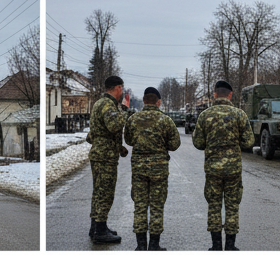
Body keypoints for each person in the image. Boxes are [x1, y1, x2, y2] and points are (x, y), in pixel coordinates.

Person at [192, 80, 255, 252]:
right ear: (230, 95)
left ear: (214, 94)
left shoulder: (205, 115)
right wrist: (235, 142)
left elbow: (198, 143)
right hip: (233, 169)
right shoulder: (239, 114)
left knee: (214, 206)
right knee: (232, 206)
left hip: (213, 169)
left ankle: (215, 246)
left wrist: (211, 143)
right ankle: (230, 245)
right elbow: (249, 141)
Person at [124, 87, 181, 251]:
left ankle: (141, 245)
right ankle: (154, 245)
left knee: (140, 206)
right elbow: (175, 144)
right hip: (159, 170)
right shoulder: (165, 120)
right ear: (158, 102)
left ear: (143, 101)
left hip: (139, 168)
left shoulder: (133, 119)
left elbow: (128, 140)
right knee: (156, 206)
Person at [87, 75, 129, 244]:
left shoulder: (100, 103)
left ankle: (96, 226)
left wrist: (119, 147)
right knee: (105, 194)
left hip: (101, 154)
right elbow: (114, 125)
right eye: (122, 88)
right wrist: (125, 109)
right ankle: (100, 231)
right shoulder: (107, 104)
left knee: (98, 192)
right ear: (117, 88)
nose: (122, 92)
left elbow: (99, 132)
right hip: (105, 158)